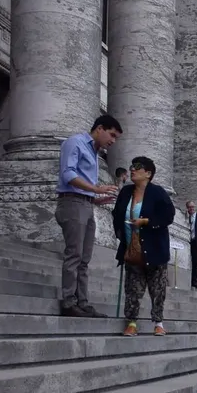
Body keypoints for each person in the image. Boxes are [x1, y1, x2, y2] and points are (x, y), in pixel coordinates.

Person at [55, 115, 122, 317]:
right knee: (74, 254)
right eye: (112, 135)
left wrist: (94, 198)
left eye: (116, 138)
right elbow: (68, 174)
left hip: (85, 204)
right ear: (99, 128)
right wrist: (95, 188)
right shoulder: (75, 142)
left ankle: (82, 302)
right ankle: (69, 301)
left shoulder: (94, 153)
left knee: (84, 258)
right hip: (71, 202)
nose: (113, 141)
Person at [112, 156, 175, 336]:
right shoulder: (126, 192)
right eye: (131, 166)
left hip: (155, 250)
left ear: (148, 173)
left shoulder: (158, 193)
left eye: (137, 167)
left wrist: (146, 222)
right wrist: (120, 232)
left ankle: (159, 322)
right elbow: (117, 213)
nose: (132, 169)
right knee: (132, 288)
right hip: (132, 249)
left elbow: (168, 216)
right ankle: (131, 322)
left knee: (157, 289)